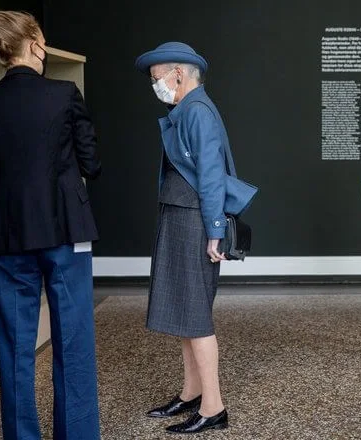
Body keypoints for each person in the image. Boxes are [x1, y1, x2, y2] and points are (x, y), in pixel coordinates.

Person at [0, 11, 102, 439]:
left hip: (7, 235)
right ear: (35, 41)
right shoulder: (64, 93)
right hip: (64, 232)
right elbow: (91, 165)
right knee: (73, 341)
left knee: (15, 346)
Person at [135, 42, 254, 435]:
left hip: (193, 220)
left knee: (197, 316)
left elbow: (211, 174)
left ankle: (214, 406)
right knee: (187, 312)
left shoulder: (197, 111)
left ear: (178, 75)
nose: (157, 86)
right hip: (181, 215)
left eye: (158, 79)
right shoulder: (186, 109)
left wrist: (215, 231)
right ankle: (191, 394)